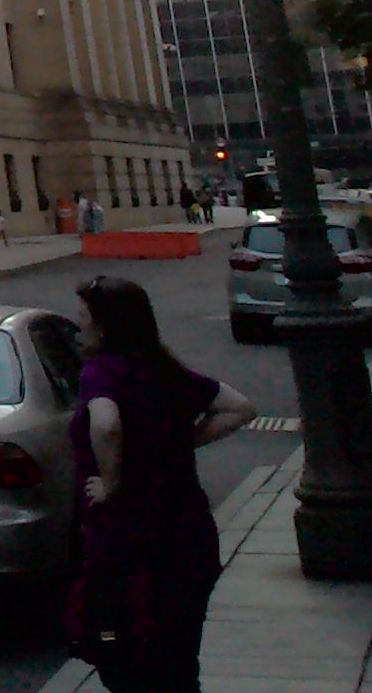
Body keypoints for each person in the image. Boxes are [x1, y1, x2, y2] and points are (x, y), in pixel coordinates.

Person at [69, 276, 256, 692]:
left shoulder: (102, 371)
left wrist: (113, 482)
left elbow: (106, 423)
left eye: (84, 315)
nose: (79, 324)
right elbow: (241, 408)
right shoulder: (166, 370)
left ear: (105, 325)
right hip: (189, 537)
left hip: (129, 544)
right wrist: (181, 441)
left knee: (127, 659)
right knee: (180, 657)